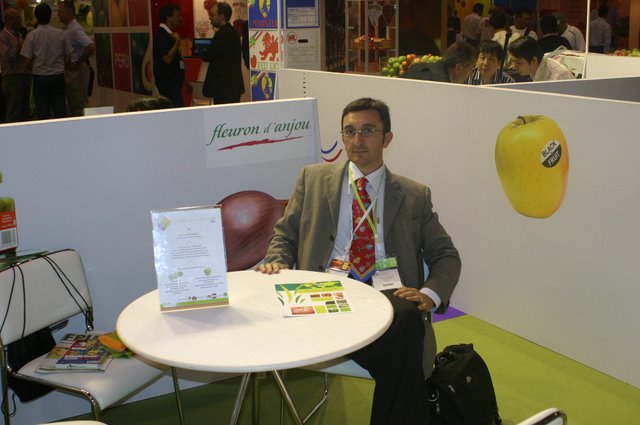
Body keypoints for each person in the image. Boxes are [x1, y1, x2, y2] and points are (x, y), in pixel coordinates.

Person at [257, 97, 461, 425]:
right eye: (349, 131)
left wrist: (429, 295)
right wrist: (277, 261)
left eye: (368, 131)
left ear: (387, 138)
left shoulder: (413, 195)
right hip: (325, 290)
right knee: (405, 347)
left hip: (386, 296)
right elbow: (286, 234)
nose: (357, 140)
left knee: (406, 315)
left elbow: (446, 255)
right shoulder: (312, 179)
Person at [20, 2, 71, 120]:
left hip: (40, 77)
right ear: (50, 15)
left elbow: (26, 60)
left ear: (36, 17)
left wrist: (33, 68)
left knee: (43, 111)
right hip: (58, 76)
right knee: (60, 109)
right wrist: (62, 66)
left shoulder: (31, 35)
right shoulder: (60, 34)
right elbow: (69, 56)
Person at [202, 1, 244, 104]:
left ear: (221, 16)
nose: (210, 17)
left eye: (213, 14)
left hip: (223, 88)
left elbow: (207, 56)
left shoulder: (221, 34)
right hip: (233, 86)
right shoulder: (233, 32)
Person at [58, 1, 95, 116]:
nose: (58, 14)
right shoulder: (67, 29)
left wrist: (78, 62)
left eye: (60, 12)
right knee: (73, 105)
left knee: (78, 106)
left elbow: (90, 46)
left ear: (69, 12)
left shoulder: (74, 29)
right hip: (71, 70)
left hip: (76, 72)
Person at [153, 3, 191, 107]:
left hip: (174, 81)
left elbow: (176, 61)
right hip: (167, 82)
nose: (180, 18)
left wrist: (185, 81)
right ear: (168, 17)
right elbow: (167, 59)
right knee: (178, 108)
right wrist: (177, 41)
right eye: (177, 16)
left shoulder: (170, 34)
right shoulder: (161, 34)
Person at [0, 8, 31, 122]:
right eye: (16, 18)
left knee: (24, 111)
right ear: (8, 20)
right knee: (14, 112)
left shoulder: (18, 34)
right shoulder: (3, 36)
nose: (19, 20)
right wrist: (18, 47)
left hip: (24, 76)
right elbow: (7, 56)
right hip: (12, 78)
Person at [402, 41, 477, 84]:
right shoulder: (443, 86)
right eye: (471, 69)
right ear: (459, 68)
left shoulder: (415, 67)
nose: (471, 74)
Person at [508, 36, 575, 82]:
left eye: (518, 63)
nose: (514, 67)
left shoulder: (557, 78)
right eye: (512, 61)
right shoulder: (537, 68)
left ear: (534, 60)